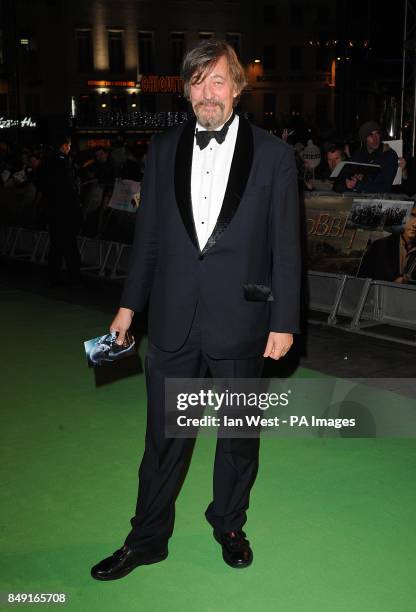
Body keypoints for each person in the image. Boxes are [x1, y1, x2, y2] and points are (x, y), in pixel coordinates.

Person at [91, 39, 301, 581]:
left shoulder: (275, 156)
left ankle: (229, 523)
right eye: (197, 82)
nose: (208, 93)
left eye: (218, 81)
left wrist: (284, 321)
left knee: (237, 436)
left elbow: (286, 247)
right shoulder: (162, 150)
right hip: (173, 322)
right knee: (164, 440)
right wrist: (127, 308)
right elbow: (150, 242)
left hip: (243, 323)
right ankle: (147, 538)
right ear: (186, 90)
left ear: (237, 87)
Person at [40, 136, 82, 284]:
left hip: (52, 208)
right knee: (69, 243)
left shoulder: (47, 161)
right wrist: (76, 207)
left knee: (56, 243)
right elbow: (68, 187)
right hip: (65, 209)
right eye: (69, 145)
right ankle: (74, 275)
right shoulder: (63, 162)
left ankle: (53, 275)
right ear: (64, 146)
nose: (69, 148)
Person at [334, 121, 398, 194]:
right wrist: (348, 182)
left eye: (377, 133)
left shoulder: (389, 155)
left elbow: (385, 187)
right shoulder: (359, 154)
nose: (375, 138)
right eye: (370, 135)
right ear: (364, 139)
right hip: (359, 197)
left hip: (381, 200)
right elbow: (343, 177)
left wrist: (359, 184)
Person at [358, 205, 416, 282]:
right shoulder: (379, 246)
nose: (415, 224)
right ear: (404, 217)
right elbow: (363, 278)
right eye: (412, 216)